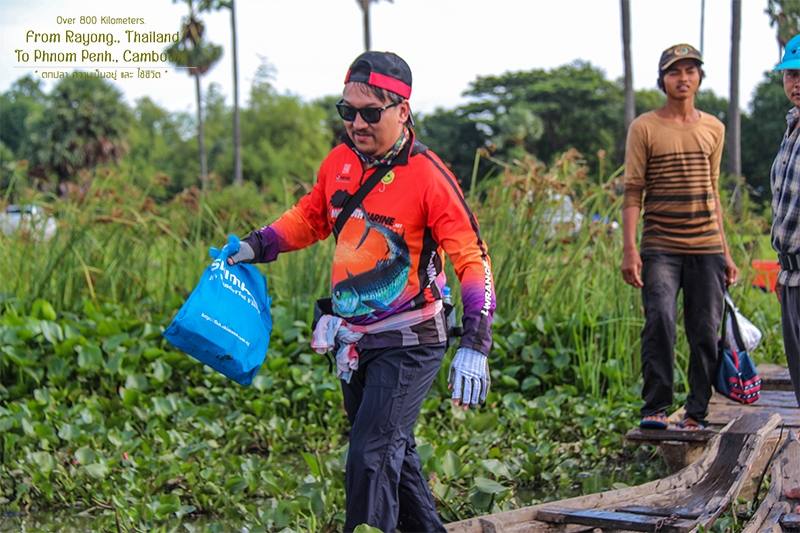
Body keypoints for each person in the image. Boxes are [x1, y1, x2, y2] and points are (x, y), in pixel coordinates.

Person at [222, 51, 496, 532]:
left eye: (371, 112)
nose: (358, 123)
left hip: (410, 340)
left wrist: (475, 341)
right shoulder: (340, 163)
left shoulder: (430, 177)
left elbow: (472, 258)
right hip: (355, 340)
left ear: (402, 111)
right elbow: (311, 216)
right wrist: (256, 244)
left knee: (370, 457)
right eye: (348, 111)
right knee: (394, 450)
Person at [620, 43, 739, 431]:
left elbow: (714, 191)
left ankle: (696, 411)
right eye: (675, 71)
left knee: (705, 330)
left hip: (706, 247)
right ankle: (655, 407)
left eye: (690, 70)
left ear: (700, 78)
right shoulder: (645, 127)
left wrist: (727, 251)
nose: (683, 78)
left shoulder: (714, 129)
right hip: (660, 246)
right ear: (663, 80)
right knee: (660, 321)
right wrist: (629, 249)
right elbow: (633, 190)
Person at [770, 33, 800, 409]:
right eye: (791, 74)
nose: (798, 83)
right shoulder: (791, 128)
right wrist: (782, 270)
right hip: (791, 274)